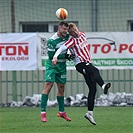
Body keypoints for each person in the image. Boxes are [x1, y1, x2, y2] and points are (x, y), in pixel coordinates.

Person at [52, 23, 111, 125]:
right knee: (95, 71)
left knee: (93, 89)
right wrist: (55, 56)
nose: (75, 33)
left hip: (88, 63)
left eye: (75, 30)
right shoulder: (72, 40)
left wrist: (71, 52)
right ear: (70, 34)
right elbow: (62, 48)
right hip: (81, 65)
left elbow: (76, 49)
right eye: (73, 32)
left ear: (77, 28)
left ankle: (89, 113)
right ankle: (104, 85)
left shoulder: (83, 34)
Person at [40, 21, 72, 123]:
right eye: (64, 29)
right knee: (48, 86)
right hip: (52, 66)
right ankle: (43, 112)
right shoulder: (52, 40)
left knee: (61, 88)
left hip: (62, 66)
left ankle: (61, 112)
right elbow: (50, 56)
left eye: (67, 29)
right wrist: (65, 56)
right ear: (59, 28)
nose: (66, 31)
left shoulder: (68, 37)